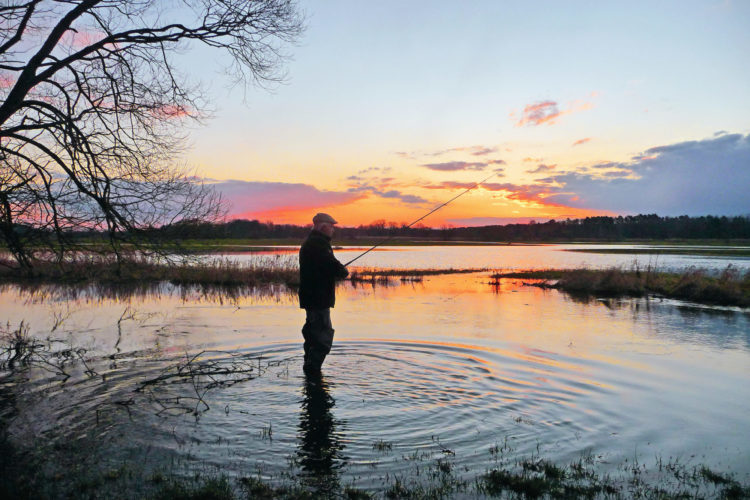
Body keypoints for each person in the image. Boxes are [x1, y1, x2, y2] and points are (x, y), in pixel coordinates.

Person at [299, 212, 349, 373]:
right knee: (322, 337)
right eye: (332, 227)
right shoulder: (318, 244)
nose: (333, 230)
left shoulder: (312, 242)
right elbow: (334, 267)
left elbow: (324, 266)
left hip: (312, 297)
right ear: (323, 227)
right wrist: (342, 270)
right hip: (318, 298)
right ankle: (313, 372)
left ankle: (310, 372)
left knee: (313, 335)